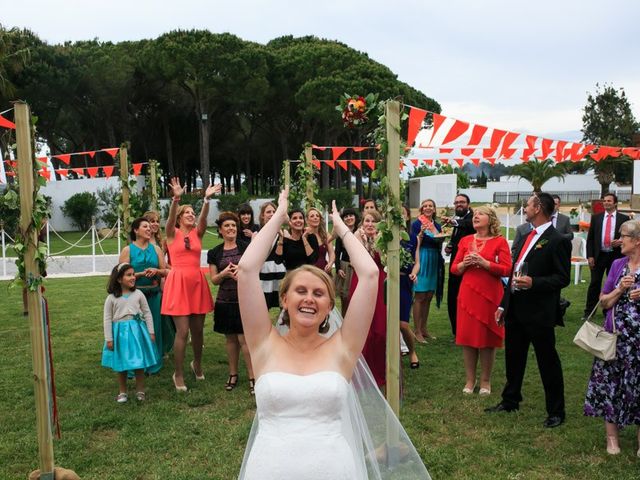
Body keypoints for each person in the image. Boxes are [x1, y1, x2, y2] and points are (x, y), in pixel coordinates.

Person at [236, 188, 430, 479]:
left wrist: (341, 228)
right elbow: (247, 270)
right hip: (268, 469)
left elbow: (369, 275)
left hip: (333, 469)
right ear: (284, 300)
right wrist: (278, 217)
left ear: (329, 306)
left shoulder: (343, 348)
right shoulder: (263, 343)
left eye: (319, 294)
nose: (309, 299)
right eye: (300, 291)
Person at [486, 192, 571, 429]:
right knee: (514, 357)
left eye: (530, 204)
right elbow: (514, 273)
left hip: (540, 311)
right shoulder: (525, 235)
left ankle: (556, 411)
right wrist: (504, 304)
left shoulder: (557, 240)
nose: (526, 207)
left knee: (547, 361)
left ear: (540, 208)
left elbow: (562, 278)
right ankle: (510, 399)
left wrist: (535, 282)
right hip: (516, 308)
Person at [584, 219, 640, 456]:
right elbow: (603, 301)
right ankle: (612, 438)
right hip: (615, 338)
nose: (619, 240)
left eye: (624, 236)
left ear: (637, 241)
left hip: (637, 342)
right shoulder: (618, 265)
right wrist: (620, 290)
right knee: (610, 385)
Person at [161, 178, 219, 391]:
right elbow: (168, 219)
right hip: (178, 283)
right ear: (179, 218)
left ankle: (197, 364)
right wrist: (176, 198)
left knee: (198, 331)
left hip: (196, 281)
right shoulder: (171, 233)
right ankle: (178, 373)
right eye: (187, 214)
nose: (191, 216)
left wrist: (206, 200)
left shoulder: (198, 233)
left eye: (192, 214)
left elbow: (203, 218)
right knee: (182, 332)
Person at [450, 206, 511, 395]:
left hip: (490, 294)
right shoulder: (465, 240)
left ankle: (485, 380)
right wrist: (464, 264)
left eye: (480, 214)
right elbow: (454, 268)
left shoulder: (500, 241)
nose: (476, 216)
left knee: (487, 338)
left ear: (490, 219)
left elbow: (507, 269)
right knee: (467, 337)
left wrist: (486, 264)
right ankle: (470, 380)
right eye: (475, 214)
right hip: (468, 293)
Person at [208, 212, 254, 393]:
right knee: (230, 339)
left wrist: (240, 276)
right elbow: (214, 280)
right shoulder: (214, 252)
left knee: (244, 340)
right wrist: (225, 274)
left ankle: (253, 376)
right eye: (227, 226)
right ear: (220, 230)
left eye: (233, 226)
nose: (231, 229)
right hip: (224, 302)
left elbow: (252, 273)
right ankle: (233, 374)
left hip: (243, 300)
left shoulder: (246, 247)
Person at [101, 263, 158, 403]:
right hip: (119, 334)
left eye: (133, 274)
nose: (133, 277)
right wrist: (109, 338)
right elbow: (107, 319)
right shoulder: (111, 298)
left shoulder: (138, 294)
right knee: (121, 364)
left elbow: (147, 313)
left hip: (137, 333)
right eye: (129, 275)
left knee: (139, 363)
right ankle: (122, 391)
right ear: (119, 279)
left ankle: (140, 390)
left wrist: (151, 331)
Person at [118, 217, 168, 373]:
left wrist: (157, 271)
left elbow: (165, 271)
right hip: (134, 297)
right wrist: (138, 275)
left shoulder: (157, 249)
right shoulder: (128, 250)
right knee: (135, 330)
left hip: (154, 295)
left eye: (149, 226)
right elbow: (120, 274)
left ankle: (153, 362)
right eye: (145, 226)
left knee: (154, 329)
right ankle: (134, 364)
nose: (149, 229)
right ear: (135, 230)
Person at [350, 210, 387, 387]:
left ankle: (378, 371)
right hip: (361, 282)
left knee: (379, 330)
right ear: (362, 223)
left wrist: (376, 240)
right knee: (362, 329)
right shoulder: (356, 236)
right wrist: (362, 240)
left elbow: (384, 259)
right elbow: (356, 259)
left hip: (379, 283)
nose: (370, 224)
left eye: (373, 221)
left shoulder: (383, 238)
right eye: (367, 221)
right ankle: (360, 374)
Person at [584, 193, 629, 318]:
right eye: (604, 201)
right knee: (594, 283)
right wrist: (590, 256)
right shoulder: (596, 218)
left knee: (613, 284)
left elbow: (627, 237)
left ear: (615, 203)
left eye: (609, 201)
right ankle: (589, 312)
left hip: (615, 256)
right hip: (599, 256)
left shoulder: (624, 219)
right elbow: (591, 239)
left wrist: (620, 241)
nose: (606, 203)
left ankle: (609, 311)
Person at [410, 199, 445, 342]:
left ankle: (424, 328)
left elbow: (439, 241)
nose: (428, 208)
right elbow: (414, 241)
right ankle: (416, 330)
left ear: (434, 209)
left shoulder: (437, 225)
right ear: (421, 209)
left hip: (434, 259)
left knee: (429, 295)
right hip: (422, 258)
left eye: (431, 206)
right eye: (425, 206)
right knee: (420, 295)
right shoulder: (417, 224)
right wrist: (421, 234)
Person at [443, 194, 475, 335]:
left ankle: (466, 329)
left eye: (462, 202)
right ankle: (456, 330)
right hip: (455, 265)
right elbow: (456, 238)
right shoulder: (458, 219)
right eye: (456, 203)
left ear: (468, 204)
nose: (458, 205)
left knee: (466, 299)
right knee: (452, 297)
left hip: (468, 266)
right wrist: (450, 247)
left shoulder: (472, 219)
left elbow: (469, 225)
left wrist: (453, 223)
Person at [400, 204, 420, 369]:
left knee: (403, 324)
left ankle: (412, 351)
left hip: (405, 282)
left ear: (407, 217)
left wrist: (414, 272)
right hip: (387, 281)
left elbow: (417, 262)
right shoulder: (384, 236)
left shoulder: (413, 238)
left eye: (403, 213)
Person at [257, 202, 286, 309]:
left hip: (280, 273)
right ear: (262, 215)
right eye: (268, 212)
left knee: (284, 305)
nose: (272, 214)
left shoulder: (283, 232)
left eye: (274, 212)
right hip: (264, 274)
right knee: (263, 306)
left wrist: (282, 238)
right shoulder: (258, 233)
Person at [334, 208, 360, 316]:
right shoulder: (341, 233)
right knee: (345, 298)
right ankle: (344, 320)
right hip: (345, 267)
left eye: (351, 215)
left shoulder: (360, 231)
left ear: (355, 217)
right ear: (343, 220)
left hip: (358, 266)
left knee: (357, 297)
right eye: (346, 216)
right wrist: (338, 268)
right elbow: (337, 252)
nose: (349, 218)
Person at [307, 207, 335, 272]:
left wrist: (330, 263)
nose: (315, 217)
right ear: (307, 220)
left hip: (323, 270)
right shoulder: (304, 234)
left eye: (317, 216)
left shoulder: (325, 235)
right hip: (309, 271)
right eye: (312, 216)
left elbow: (331, 253)